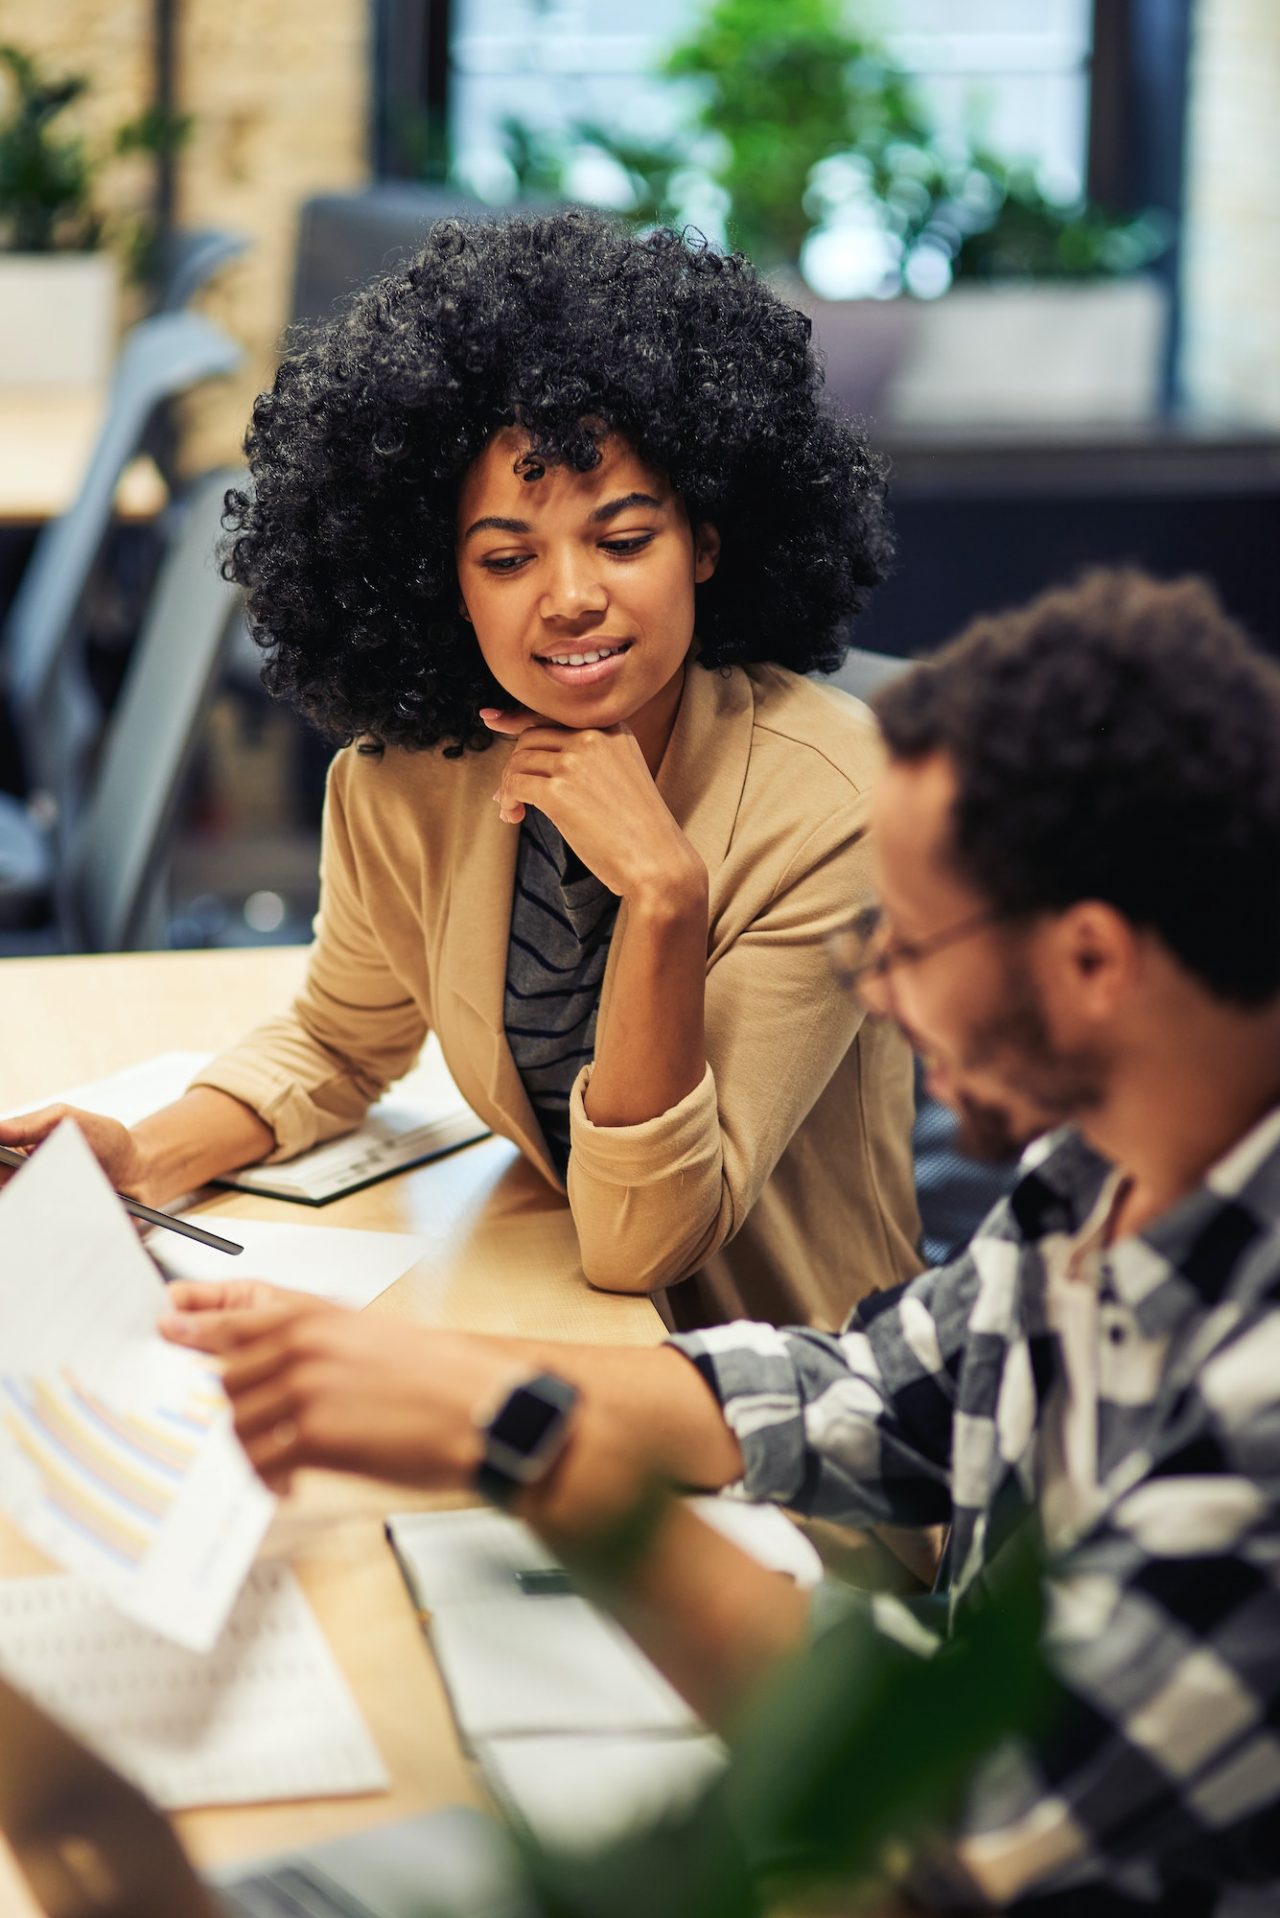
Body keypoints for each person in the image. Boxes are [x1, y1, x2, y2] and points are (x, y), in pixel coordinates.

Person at [161, 570, 1280, 1911]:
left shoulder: (1256, 1398)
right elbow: (871, 1393)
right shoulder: (1102, 1171)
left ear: (1091, 962)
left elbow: (943, 1789)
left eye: (909, 944)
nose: (880, 992)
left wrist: (537, 1450)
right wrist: (433, 1377)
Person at [0, 210, 920, 1332]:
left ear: (706, 544)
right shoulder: (410, 778)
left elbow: (645, 1243)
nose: (571, 596)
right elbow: (338, 1041)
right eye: (508, 557)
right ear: (445, 580)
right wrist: (140, 1157)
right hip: (547, 1316)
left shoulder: (830, 800)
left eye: (624, 540)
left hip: (783, 1390)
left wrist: (664, 895)